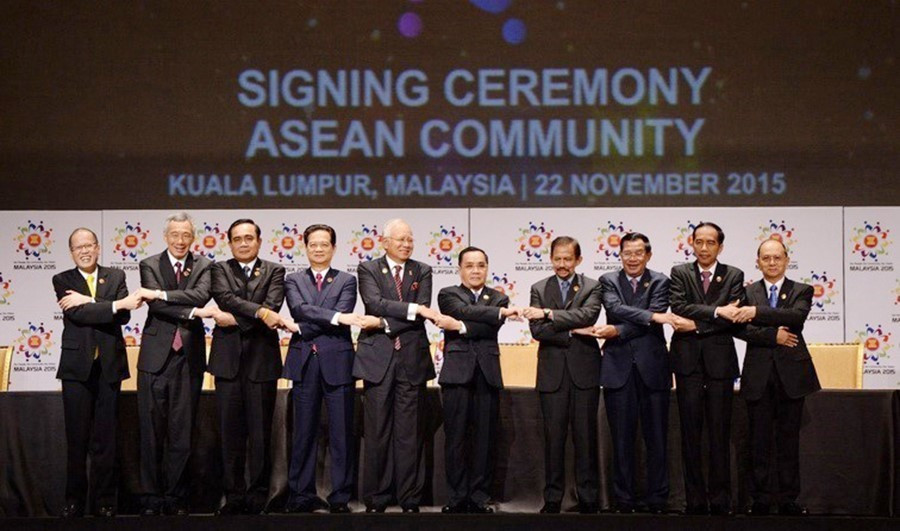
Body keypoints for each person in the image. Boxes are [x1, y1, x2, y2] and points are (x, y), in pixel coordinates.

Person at [53, 228, 143, 518]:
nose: (85, 251)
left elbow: (126, 316)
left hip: (109, 366)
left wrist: (89, 300)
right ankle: (74, 501)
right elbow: (77, 314)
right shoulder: (63, 279)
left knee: (106, 439)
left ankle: (105, 501)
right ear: (71, 252)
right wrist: (113, 305)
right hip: (76, 369)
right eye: (78, 247)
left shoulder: (115, 276)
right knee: (77, 438)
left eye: (89, 245)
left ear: (97, 247)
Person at [282, 224, 371, 514]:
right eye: (313, 244)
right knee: (303, 433)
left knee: (341, 434)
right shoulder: (292, 279)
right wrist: (335, 318)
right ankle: (300, 495)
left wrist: (307, 324)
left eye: (324, 244)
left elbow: (315, 314)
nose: (318, 249)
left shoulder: (347, 280)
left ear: (333, 248)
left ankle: (340, 497)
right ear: (305, 248)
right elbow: (298, 309)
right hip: (305, 362)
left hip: (338, 363)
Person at [353, 218, 438, 513]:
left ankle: (410, 499)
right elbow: (374, 302)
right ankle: (377, 498)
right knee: (377, 431)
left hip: (412, 359)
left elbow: (423, 307)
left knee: (409, 433)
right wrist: (410, 310)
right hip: (378, 359)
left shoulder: (423, 270)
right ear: (385, 242)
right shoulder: (368, 269)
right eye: (400, 239)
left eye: (409, 239)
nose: (406, 244)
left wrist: (385, 322)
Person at [134, 212, 215, 516]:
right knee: (151, 431)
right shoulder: (149, 264)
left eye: (186, 235)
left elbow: (201, 294)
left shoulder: (206, 265)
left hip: (189, 358)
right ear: (165, 236)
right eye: (175, 235)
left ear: (192, 238)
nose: (180, 241)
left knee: (183, 433)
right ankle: (151, 499)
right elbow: (158, 306)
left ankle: (177, 497)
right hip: (156, 357)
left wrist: (160, 294)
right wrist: (187, 308)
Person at [208, 218, 290, 515]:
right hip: (227, 362)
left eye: (249, 238)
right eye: (238, 239)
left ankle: (258, 495)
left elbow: (274, 304)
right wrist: (258, 313)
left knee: (260, 434)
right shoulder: (218, 268)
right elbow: (224, 297)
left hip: (261, 361)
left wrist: (235, 317)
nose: (244, 243)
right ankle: (233, 496)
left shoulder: (274, 270)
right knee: (230, 434)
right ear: (230, 243)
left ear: (259, 241)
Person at [734, 238, 820, 516]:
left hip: (791, 377)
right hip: (758, 375)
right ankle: (758, 499)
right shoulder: (747, 292)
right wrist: (774, 334)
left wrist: (757, 313)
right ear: (757, 262)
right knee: (757, 442)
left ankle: (787, 499)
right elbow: (740, 329)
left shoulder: (802, 289)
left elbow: (796, 317)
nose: (772, 263)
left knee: (787, 442)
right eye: (766, 258)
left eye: (777, 258)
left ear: (786, 260)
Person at [434, 246, 522, 514]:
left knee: (485, 439)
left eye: (481, 265)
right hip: (457, 374)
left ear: (487, 268)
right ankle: (457, 497)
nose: (475, 270)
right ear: (460, 268)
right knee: (456, 438)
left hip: (487, 372)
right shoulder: (447, 294)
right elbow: (460, 310)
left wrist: (460, 326)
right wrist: (483, 317)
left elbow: (488, 326)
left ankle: (480, 497)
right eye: (470, 265)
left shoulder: (499, 297)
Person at [668, 221, 746, 516]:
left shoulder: (734, 275)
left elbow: (733, 317)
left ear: (720, 247)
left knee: (718, 433)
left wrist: (697, 325)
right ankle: (695, 501)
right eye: (698, 241)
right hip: (687, 363)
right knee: (690, 434)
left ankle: (721, 500)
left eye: (710, 242)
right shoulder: (680, 272)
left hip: (720, 363)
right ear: (692, 243)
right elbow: (679, 306)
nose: (703, 247)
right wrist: (715, 311)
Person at [523, 236, 603, 514]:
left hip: (585, 373)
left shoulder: (593, 286)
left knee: (586, 438)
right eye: (557, 258)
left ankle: (589, 498)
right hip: (552, 373)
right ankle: (553, 498)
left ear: (578, 260)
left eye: (568, 259)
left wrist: (548, 314)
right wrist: (571, 329)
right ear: (551, 258)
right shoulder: (538, 287)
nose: (562, 264)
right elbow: (537, 331)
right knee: (553, 439)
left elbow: (589, 316)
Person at [598, 232, 674, 514]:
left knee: (657, 438)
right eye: (627, 253)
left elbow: (649, 312)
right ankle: (623, 499)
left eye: (638, 253)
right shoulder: (608, 280)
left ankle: (658, 498)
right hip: (618, 368)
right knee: (621, 439)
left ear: (648, 255)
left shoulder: (661, 280)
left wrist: (618, 329)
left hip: (653, 368)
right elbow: (615, 308)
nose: (632, 258)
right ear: (620, 255)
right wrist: (652, 317)